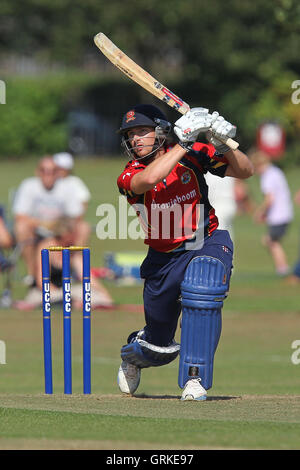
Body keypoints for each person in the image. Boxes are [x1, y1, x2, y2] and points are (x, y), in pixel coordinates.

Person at [116, 104, 253, 401]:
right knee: (158, 348)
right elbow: (150, 180)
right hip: (163, 258)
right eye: (130, 134)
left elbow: (246, 170)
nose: (135, 139)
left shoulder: (193, 154)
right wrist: (184, 142)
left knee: (204, 284)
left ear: (161, 131)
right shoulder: (129, 176)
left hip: (207, 239)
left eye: (142, 131)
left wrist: (222, 142)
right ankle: (134, 354)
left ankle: (196, 378)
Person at [252, 151, 293, 277]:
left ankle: (283, 269)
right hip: (285, 213)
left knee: (271, 241)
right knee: (272, 241)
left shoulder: (267, 176)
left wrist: (259, 212)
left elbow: (270, 199)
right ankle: (282, 268)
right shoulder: (276, 171)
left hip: (278, 215)